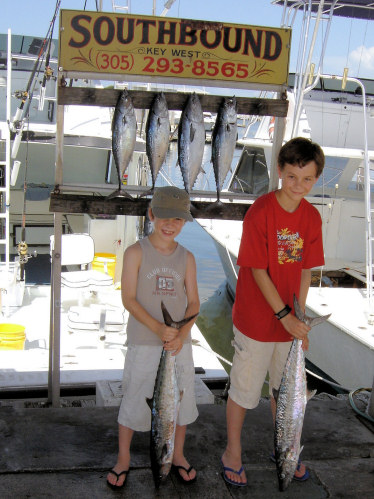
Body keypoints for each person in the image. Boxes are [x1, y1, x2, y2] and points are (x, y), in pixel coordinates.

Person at [221, 137, 325, 486]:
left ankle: (285, 447)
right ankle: (231, 452)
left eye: (307, 179)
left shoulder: (311, 217)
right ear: (280, 171)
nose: (299, 186)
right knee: (244, 392)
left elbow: (306, 269)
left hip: (289, 322)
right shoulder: (261, 212)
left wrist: (300, 321)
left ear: (316, 179)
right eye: (293, 177)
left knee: (285, 395)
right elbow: (256, 270)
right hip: (255, 322)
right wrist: (285, 317)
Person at [107, 186, 200, 489]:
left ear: (185, 222)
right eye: (163, 216)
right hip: (144, 342)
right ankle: (123, 458)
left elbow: (194, 303)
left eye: (178, 218)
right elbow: (129, 299)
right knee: (134, 397)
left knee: (181, 403)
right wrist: (160, 330)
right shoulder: (135, 252)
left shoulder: (187, 258)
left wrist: (179, 335)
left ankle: (178, 454)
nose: (170, 223)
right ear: (151, 214)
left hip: (178, 345)